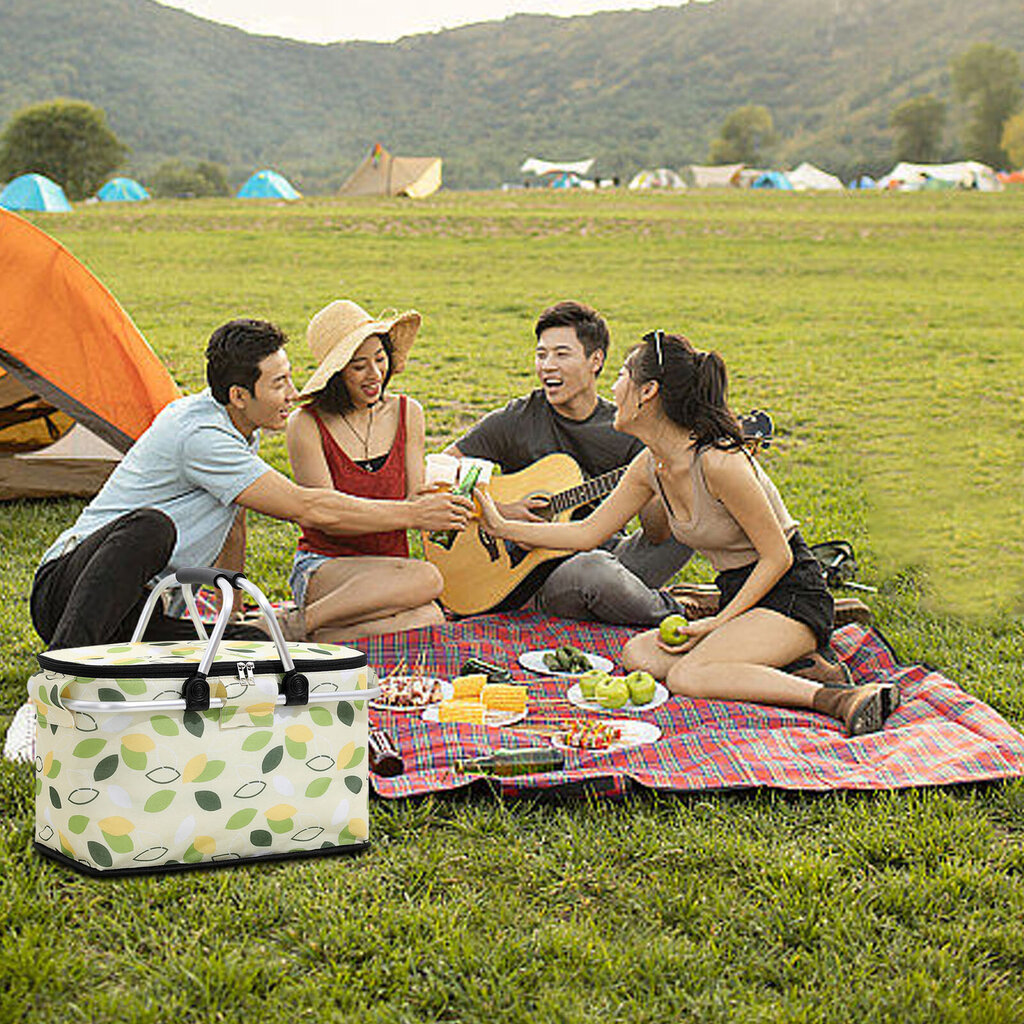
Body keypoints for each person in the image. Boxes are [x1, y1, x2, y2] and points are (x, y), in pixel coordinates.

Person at [475, 330, 899, 736]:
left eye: (623, 373)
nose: (615, 385)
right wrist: (498, 522)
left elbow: (778, 558)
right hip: (738, 593)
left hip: (790, 593)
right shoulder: (650, 465)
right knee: (637, 655)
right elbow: (588, 533)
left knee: (689, 675)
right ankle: (797, 662)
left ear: (648, 391)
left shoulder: (718, 463)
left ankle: (838, 697)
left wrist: (717, 622)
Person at [30, 318, 472, 650]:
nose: (294, 394)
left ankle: (119, 658)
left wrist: (232, 603)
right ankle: (59, 679)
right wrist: (413, 513)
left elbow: (234, 518)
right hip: (72, 593)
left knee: (250, 647)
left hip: (139, 608)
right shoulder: (199, 434)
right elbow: (309, 508)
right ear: (240, 394)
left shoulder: (242, 424)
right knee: (150, 527)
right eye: (279, 384)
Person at [445, 300, 693, 626]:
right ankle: (682, 613)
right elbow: (439, 471)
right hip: (540, 578)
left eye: (561, 354)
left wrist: (662, 486)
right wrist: (502, 510)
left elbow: (657, 533)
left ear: (595, 360)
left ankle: (626, 598)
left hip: (610, 553)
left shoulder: (627, 428)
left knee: (689, 523)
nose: (547, 365)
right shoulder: (517, 419)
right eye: (541, 354)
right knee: (593, 570)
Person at [284, 300, 444, 641]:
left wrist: (452, 499)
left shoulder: (408, 412)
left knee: (431, 615)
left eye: (380, 359)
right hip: (325, 567)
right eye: (359, 366)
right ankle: (300, 621)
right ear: (336, 373)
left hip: (392, 571)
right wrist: (414, 514)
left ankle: (316, 636)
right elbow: (330, 518)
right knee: (427, 580)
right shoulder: (306, 424)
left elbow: (417, 498)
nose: (375, 374)